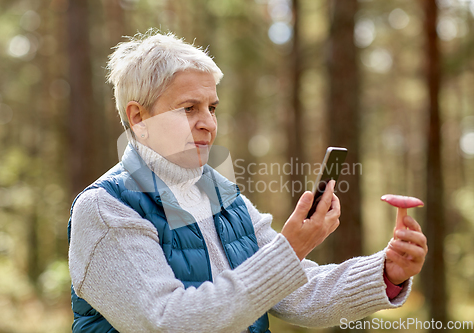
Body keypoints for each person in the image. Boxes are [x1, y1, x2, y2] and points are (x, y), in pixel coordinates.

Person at [67, 30, 428, 333]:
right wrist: (291, 249)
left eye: (212, 108)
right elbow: (170, 321)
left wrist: (385, 272)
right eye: (189, 108)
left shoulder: (220, 195)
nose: (208, 122)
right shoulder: (105, 209)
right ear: (138, 116)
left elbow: (299, 293)